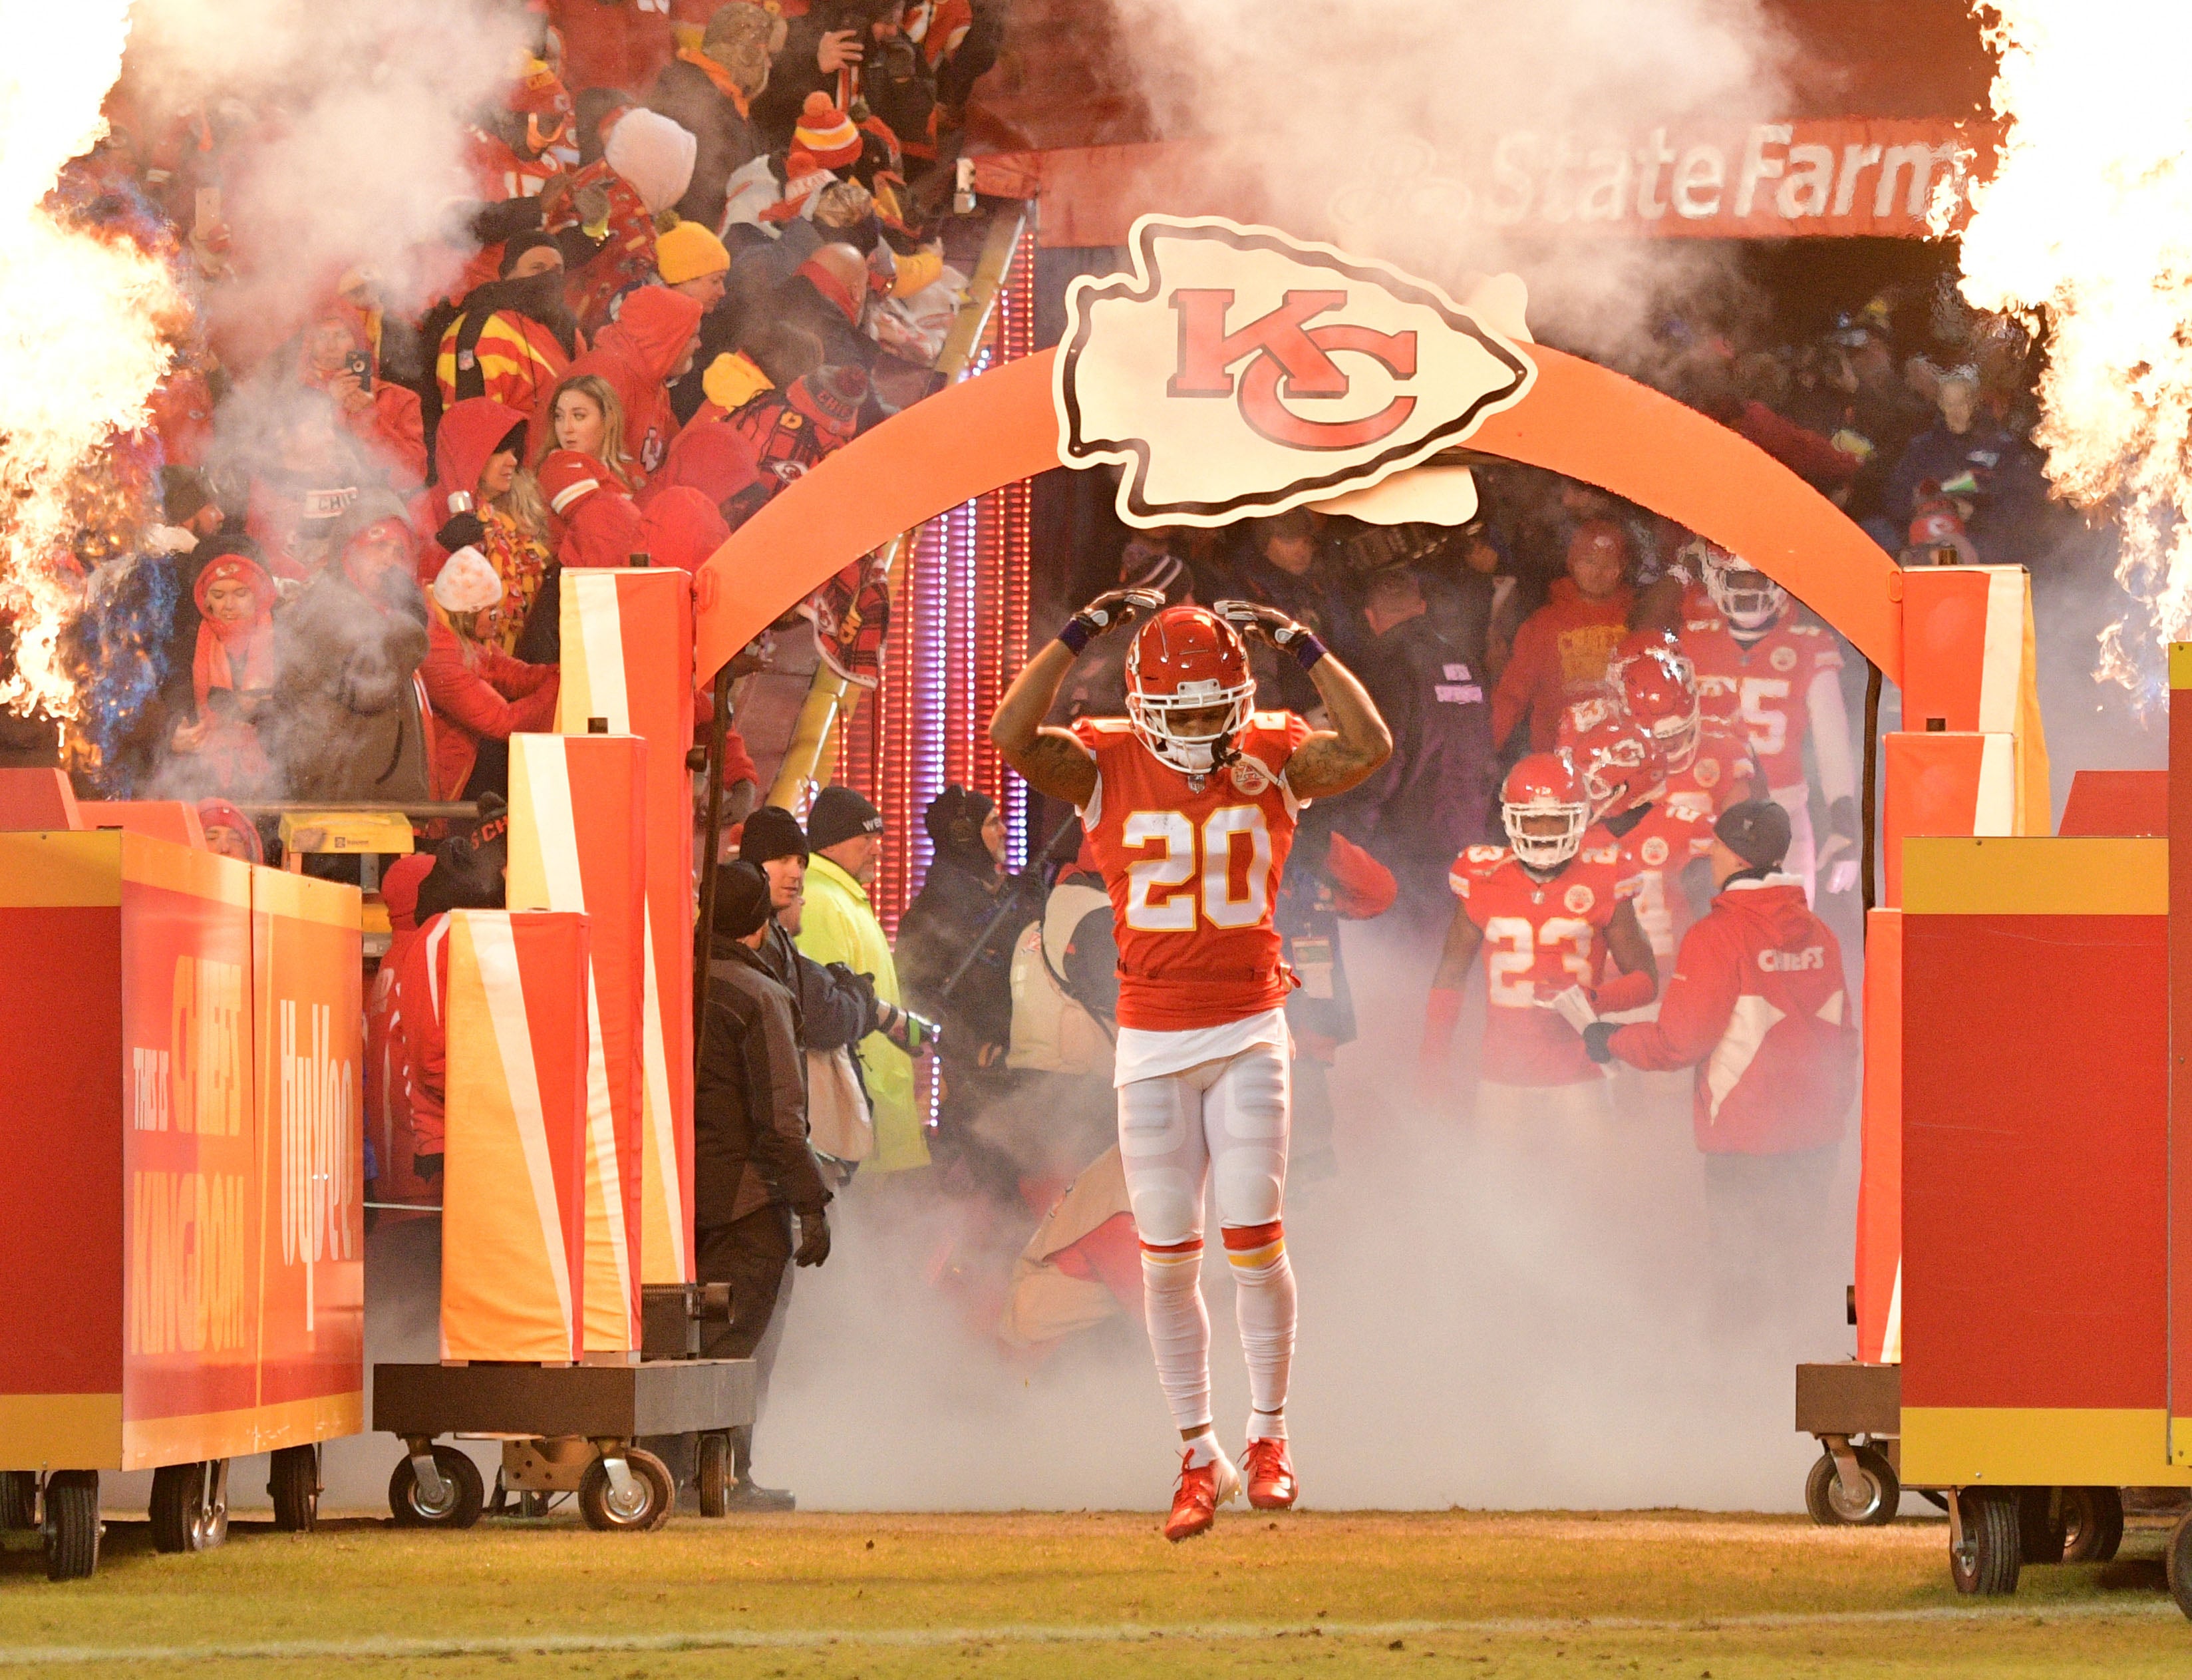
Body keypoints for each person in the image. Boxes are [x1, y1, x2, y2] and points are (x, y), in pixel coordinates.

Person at [989, 589, 1392, 1542]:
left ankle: (1269, 1439)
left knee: (1254, 1245)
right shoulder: (1106, 761)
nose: (1204, 733)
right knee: (1166, 1261)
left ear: (1241, 699)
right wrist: (1076, 634)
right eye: (1183, 715)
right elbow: (1014, 734)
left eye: (1218, 712)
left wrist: (1304, 641)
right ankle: (1194, 1454)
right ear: (1140, 708)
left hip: (1249, 1027)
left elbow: (1367, 744)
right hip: (1155, 1041)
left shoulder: (1276, 751)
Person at [1579, 799, 1858, 1333]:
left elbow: (1677, 1043)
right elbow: (1845, 1040)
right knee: (1797, 1279)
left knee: (1742, 1287)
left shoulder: (1715, 936)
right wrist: (1828, 1111)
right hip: (1817, 1142)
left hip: (1745, 1147)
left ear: (1727, 855)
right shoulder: (1820, 933)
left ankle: (1739, 1398)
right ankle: (1795, 1387)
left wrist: (1610, 1039)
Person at [696, 859, 834, 1510]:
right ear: (759, 925)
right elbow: (781, 1120)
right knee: (742, 1346)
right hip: (746, 1202)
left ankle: (682, 1466)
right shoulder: (761, 996)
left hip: (675, 1200)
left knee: (684, 1345)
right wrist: (811, 1204)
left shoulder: (671, 982)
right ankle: (723, 1477)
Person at [1420, 750, 1658, 1128]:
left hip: (1582, 1071)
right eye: (1534, 822)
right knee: (1498, 1184)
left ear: (1580, 819)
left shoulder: (1606, 874)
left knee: (1591, 1183)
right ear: (1510, 819)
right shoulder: (1480, 875)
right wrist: (1434, 1060)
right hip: (1503, 1075)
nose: (1545, 835)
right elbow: (1450, 976)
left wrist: (1591, 999)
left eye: (1556, 821)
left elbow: (1646, 982)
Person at [1675, 542, 1857, 903]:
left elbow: (1832, 741)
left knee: (1786, 938)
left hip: (1781, 812)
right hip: (1699, 808)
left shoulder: (1808, 644)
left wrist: (1845, 824)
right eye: (1738, 579)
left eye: (1758, 579)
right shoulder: (1692, 639)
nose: (1748, 592)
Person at [895, 785, 1036, 1192]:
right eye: (993, 823)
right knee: (995, 1192)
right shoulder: (930, 914)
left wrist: (1034, 910)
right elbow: (915, 999)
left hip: (1023, 1063)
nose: (1005, 831)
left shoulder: (1005, 898)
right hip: (981, 1079)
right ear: (964, 835)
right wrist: (970, 1047)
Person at [262, 492, 431, 804]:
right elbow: (369, 689)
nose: (388, 562)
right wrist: (409, 623)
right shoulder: (328, 610)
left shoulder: (373, 611)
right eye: (378, 547)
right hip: (339, 797)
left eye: (399, 552)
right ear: (348, 550)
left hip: (361, 793)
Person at [795, 784, 930, 1173]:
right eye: (867, 839)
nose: (879, 849)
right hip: (859, 1122)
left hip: (877, 1114)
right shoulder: (821, 902)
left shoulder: (843, 898)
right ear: (833, 843)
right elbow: (827, 1012)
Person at [1354, 566, 1496, 911]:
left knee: (1405, 955)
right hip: (1470, 835)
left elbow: (1385, 757)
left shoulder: (1385, 668)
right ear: (1421, 607)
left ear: (1370, 617)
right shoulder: (1466, 663)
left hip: (1409, 843)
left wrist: (1358, 830)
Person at [397, 806, 512, 1183]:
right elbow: (433, 1057)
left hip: (482, 1138)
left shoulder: (488, 928)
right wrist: (507, 1101)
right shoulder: (444, 930)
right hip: (452, 1144)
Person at [418, 548, 559, 801]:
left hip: (468, 760)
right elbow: (503, 721)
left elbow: (509, 672)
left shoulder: (460, 632)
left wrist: (558, 672)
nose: (500, 618)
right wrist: (559, 685)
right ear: (468, 614)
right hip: (448, 781)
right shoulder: (440, 657)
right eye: (492, 612)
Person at [1491, 520, 1634, 753]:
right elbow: (1512, 693)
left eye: (1610, 565)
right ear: (1573, 561)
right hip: (1560, 758)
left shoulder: (1635, 620)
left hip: (1625, 754)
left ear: (1623, 568)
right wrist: (1485, 751)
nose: (1598, 572)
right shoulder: (1544, 625)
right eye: (1590, 561)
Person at [432, 235, 584, 433]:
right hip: (515, 462)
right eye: (538, 268)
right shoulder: (479, 330)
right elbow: (471, 430)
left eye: (557, 271)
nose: (549, 277)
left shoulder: (570, 329)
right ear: (508, 274)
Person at [561, 285, 706, 488]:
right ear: (665, 338)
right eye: (692, 336)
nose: (699, 345)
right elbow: (577, 469)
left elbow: (673, 448)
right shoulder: (606, 376)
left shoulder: (652, 380)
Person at [647, 5, 772, 230]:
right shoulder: (697, 101)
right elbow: (704, 199)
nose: (770, 64)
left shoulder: (719, 96)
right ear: (746, 56)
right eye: (766, 55)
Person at [170, 544, 277, 794]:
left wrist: (256, 710)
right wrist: (174, 738)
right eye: (218, 596)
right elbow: (172, 705)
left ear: (259, 595)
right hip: (204, 778)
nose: (229, 605)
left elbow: (302, 717)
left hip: (270, 779)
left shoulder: (286, 639)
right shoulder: (185, 647)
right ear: (205, 601)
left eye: (241, 593)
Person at [1618, 643, 1764, 821]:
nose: (1670, 743)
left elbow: (1741, 836)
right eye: (1661, 736)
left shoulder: (1724, 751)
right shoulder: (1618, 765)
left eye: (1678, 730)